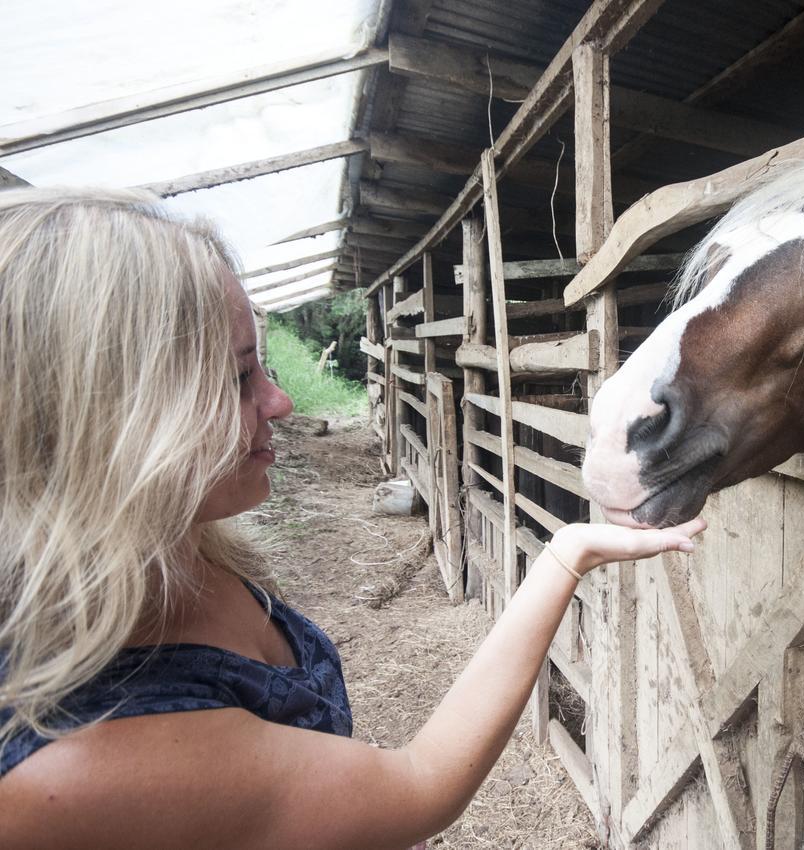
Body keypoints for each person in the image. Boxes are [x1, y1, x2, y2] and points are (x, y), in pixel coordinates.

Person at [0, 188, 706, 849]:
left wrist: (566, 548)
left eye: (262, 366)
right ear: (111, 422)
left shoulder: (176, 547)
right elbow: (420, 783)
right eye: (238, 375)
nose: (279, 403)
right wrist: (566, 555)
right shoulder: (83, 758)